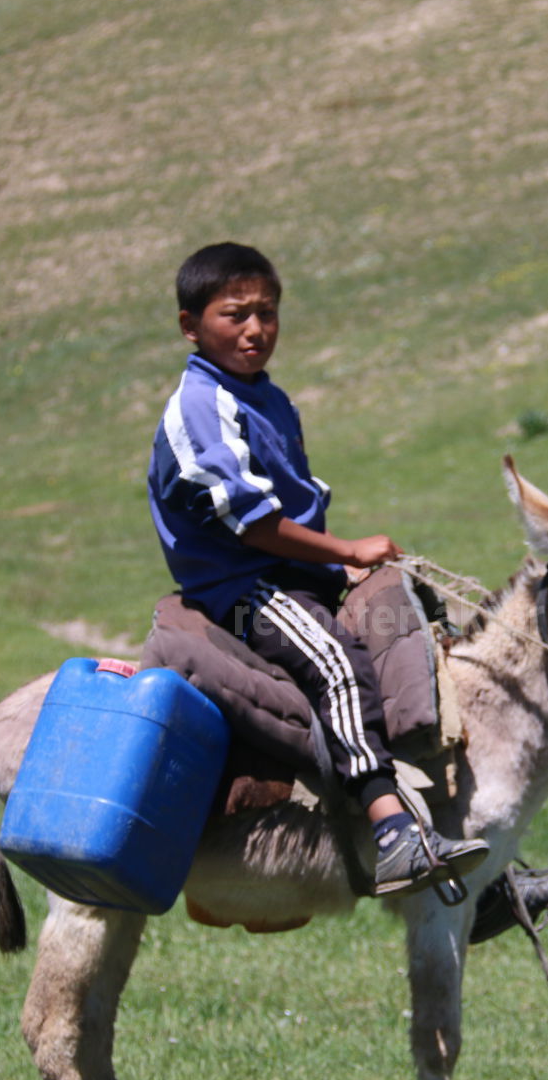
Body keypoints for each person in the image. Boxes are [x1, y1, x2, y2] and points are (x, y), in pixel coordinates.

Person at [147, 242, 488, 898]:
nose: (255, 330)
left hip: (297, 576)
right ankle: (391, 834)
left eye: (267, 313)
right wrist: (350, 551)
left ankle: (486, 864)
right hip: (244, 588)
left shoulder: (266, 396)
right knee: (335, 659)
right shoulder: (199, 406)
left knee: (415, 633)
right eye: (234, 314)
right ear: (190, 325)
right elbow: (252, 524)